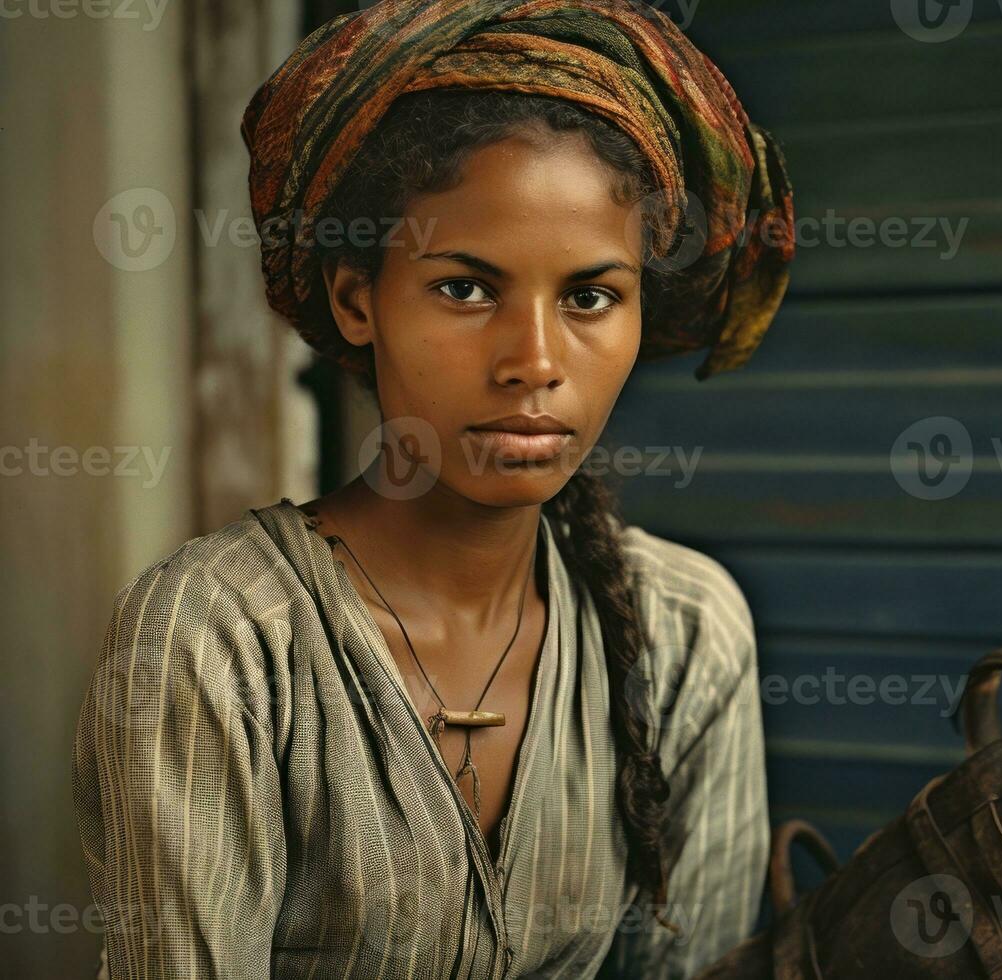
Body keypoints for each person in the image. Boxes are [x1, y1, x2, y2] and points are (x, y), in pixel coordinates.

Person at [71, 1, 795, 977]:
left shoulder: (687, 630)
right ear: (354, 297)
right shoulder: (220, 637)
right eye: (465, 287)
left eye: (588, 296)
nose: (534, 361)